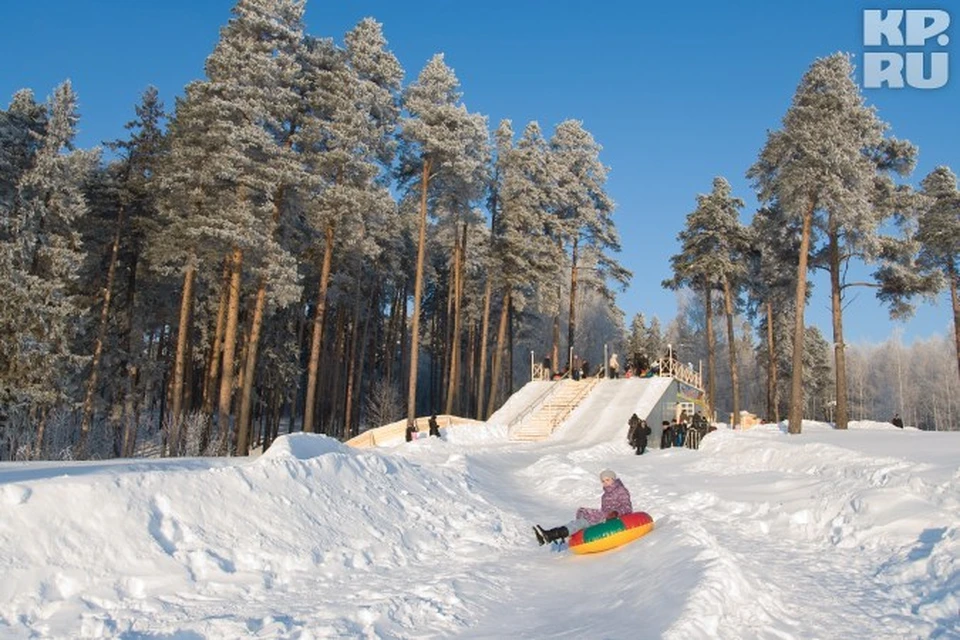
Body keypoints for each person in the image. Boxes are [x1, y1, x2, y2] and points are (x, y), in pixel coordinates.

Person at [533, 469, 633, 545]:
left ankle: (551, 535)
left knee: (583, 521)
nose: (605, 483)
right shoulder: (605, 495)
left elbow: (627, 507)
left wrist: (616, 513)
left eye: (608, 480)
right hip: (605, 518)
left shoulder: (621, 490)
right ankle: (550, 535)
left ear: (613, 479)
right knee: (580, 521)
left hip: (613, 518)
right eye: (603, 481)